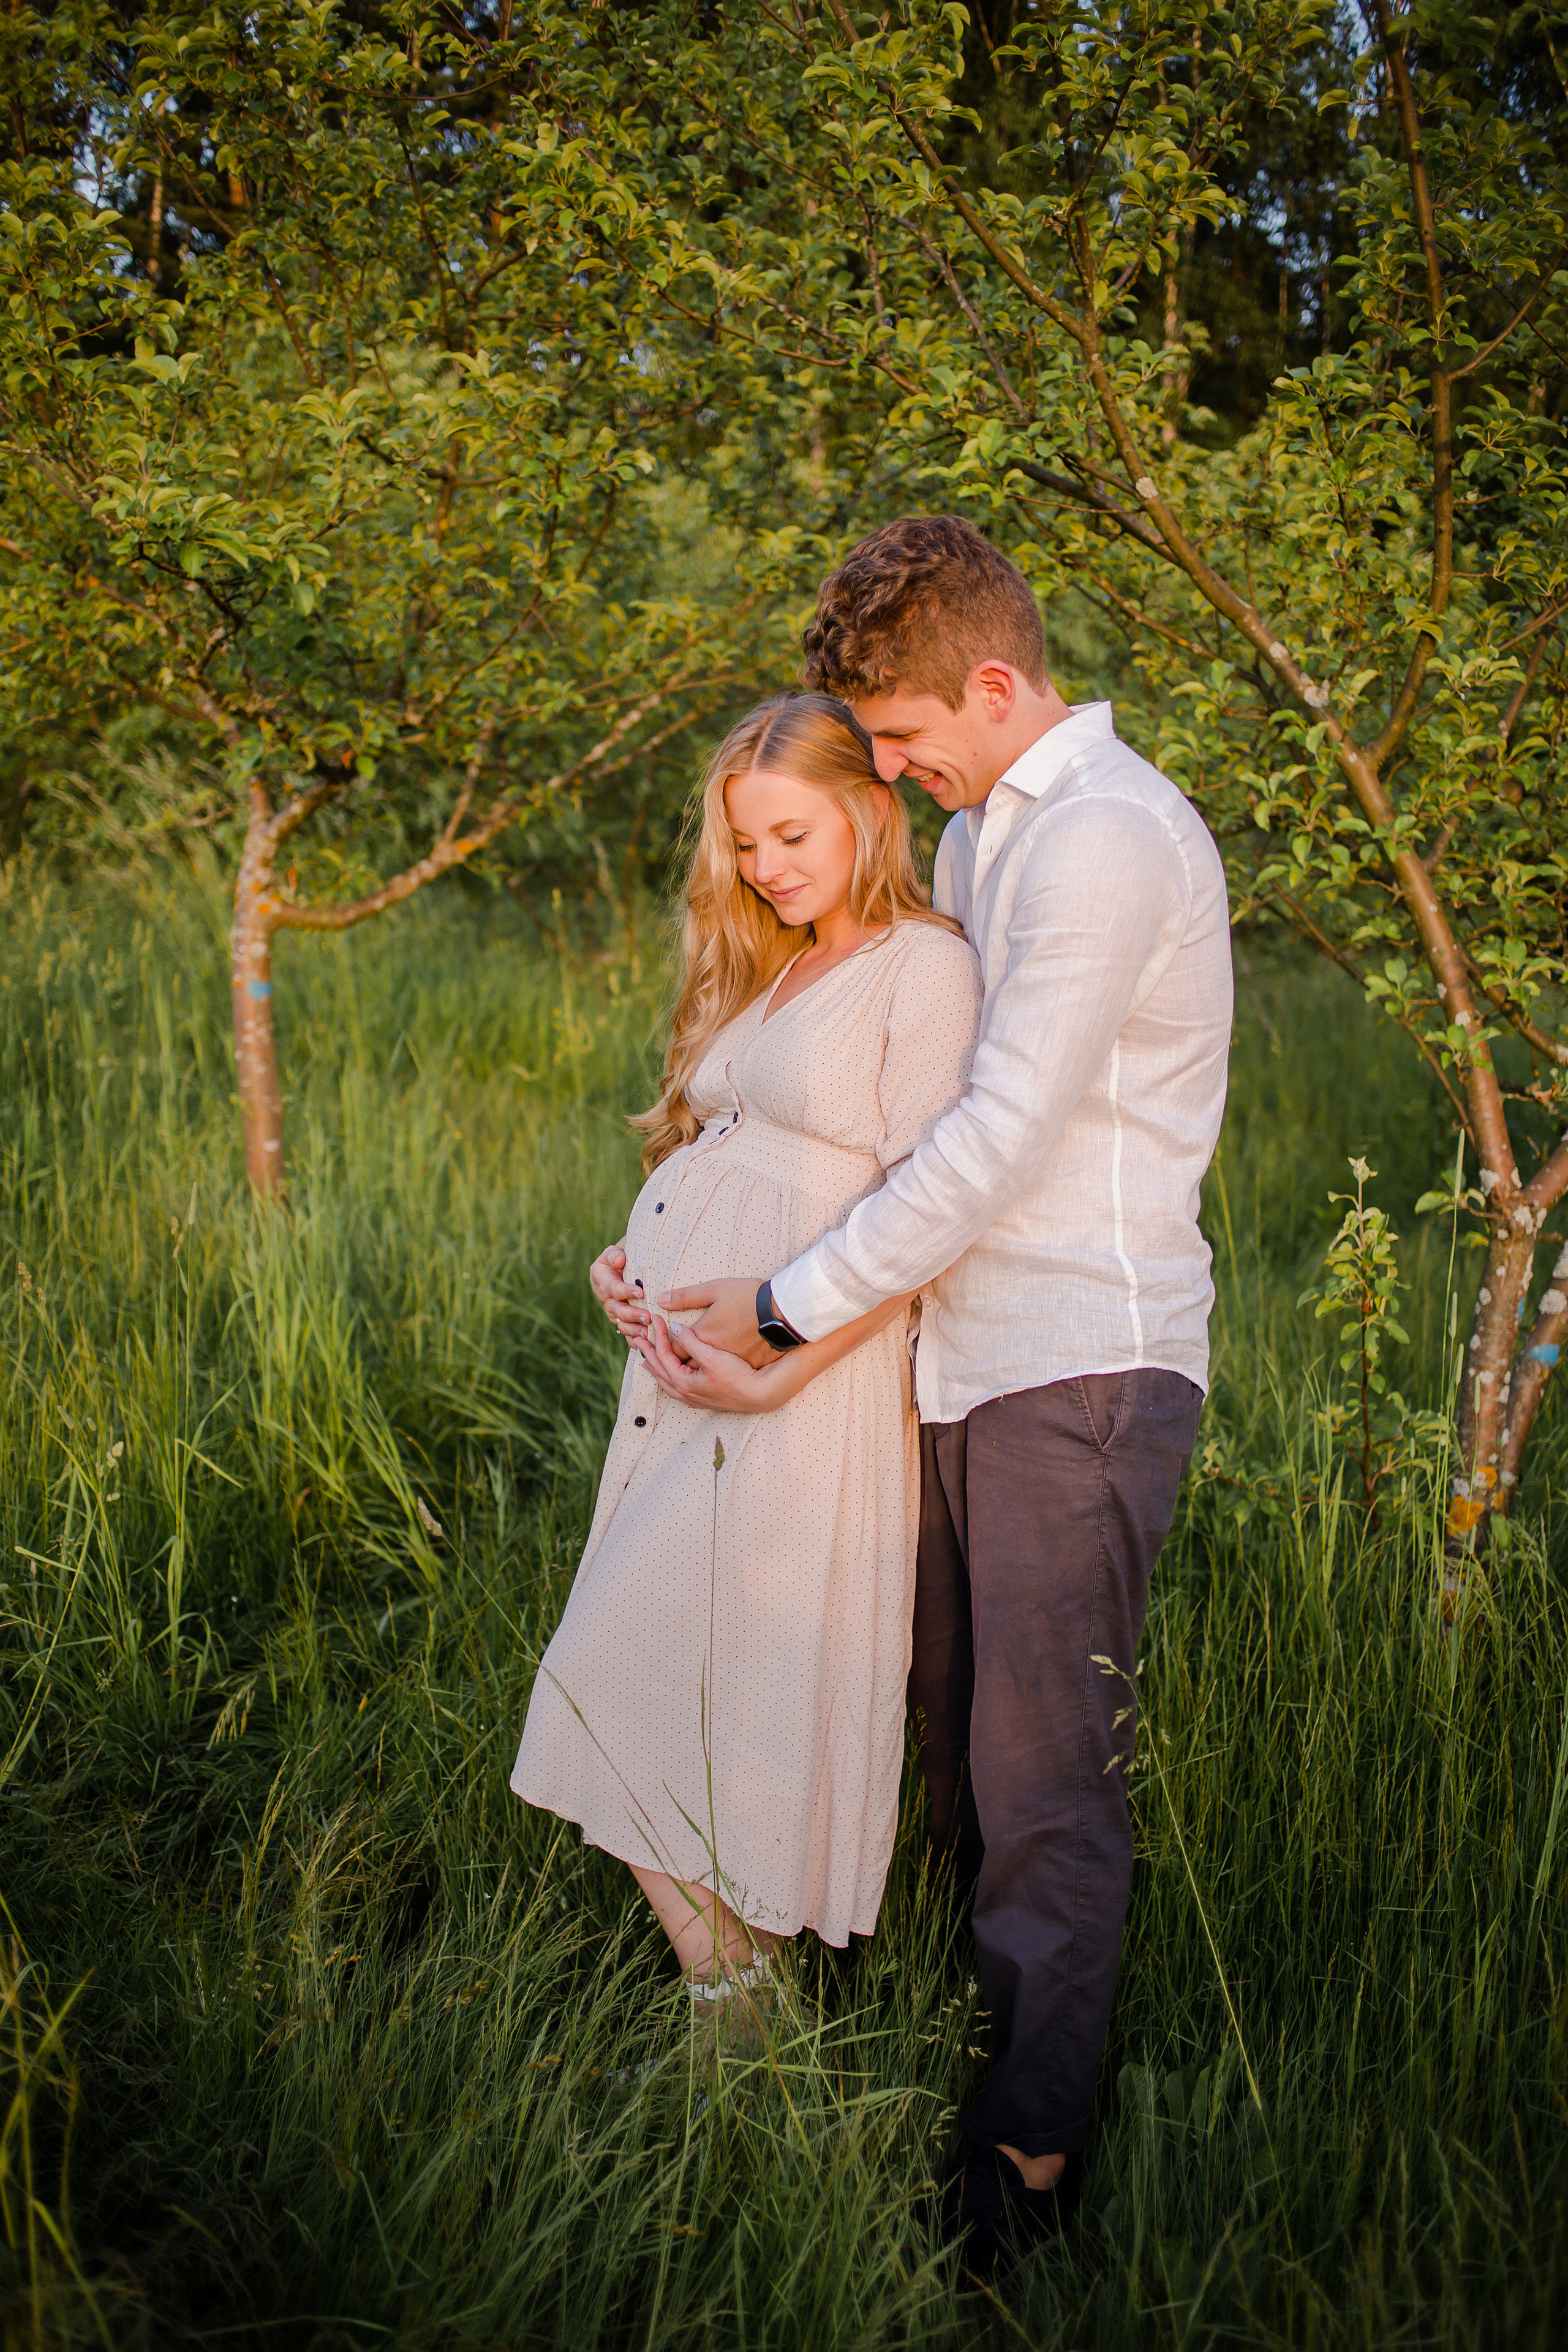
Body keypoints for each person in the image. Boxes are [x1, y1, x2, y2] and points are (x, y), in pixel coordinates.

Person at [620, 517, 1233, 2268]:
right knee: (954, 1739)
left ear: (992, 680)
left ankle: (1023, 2168)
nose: (887, 770)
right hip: (955, 1356)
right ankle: (931, 2032)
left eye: (898, 735)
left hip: (1078, 1360)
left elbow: (995, 1136)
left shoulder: (1103, 837)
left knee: (1042, 1782)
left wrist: (784, 1309)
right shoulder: (985, 838)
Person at [511, 692, 982, 2027]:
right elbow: (725, 1154)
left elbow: (922, 1213)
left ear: (869, 811)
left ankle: (741, 2006)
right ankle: (743, 2006)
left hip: (800, 1389)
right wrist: (634, 1254)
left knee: (619, 1671)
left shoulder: (921, 968)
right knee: (683, 1672)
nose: (766, 867)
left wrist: (785, 1360)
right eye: (747, 844)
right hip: (698, 1383)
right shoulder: (784, 965)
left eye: (791, 835)